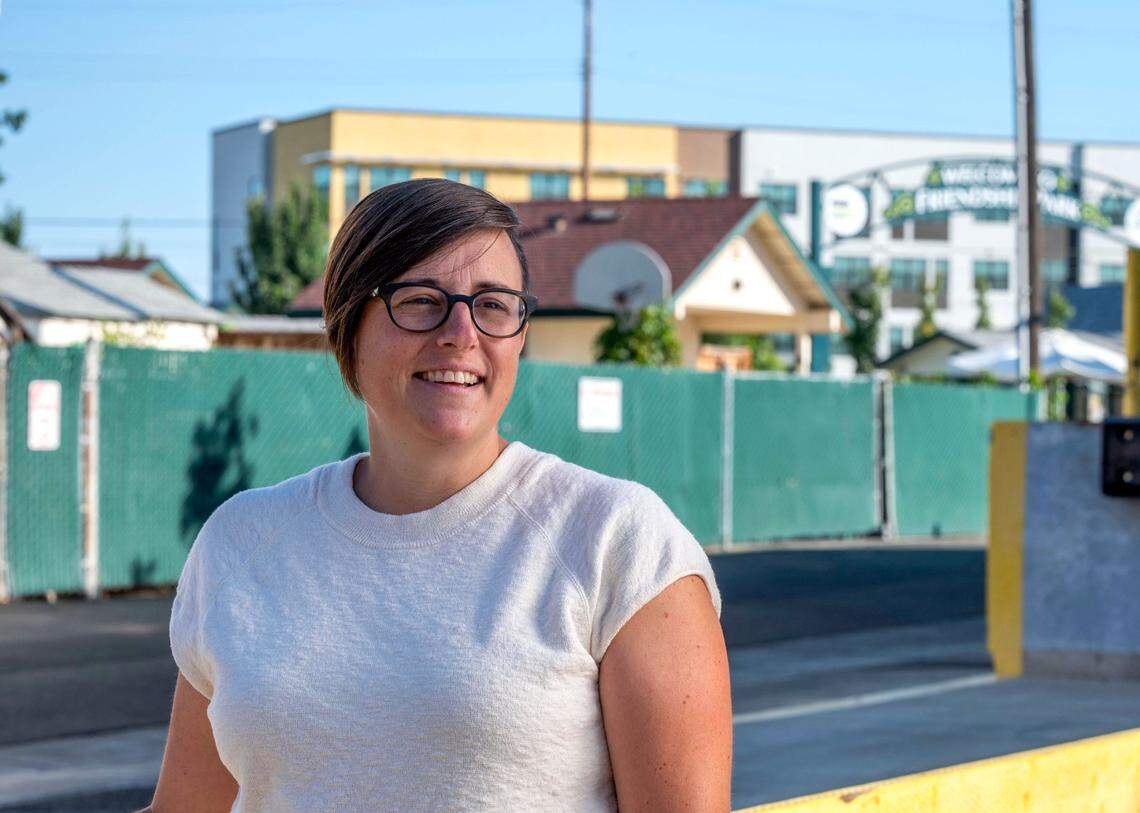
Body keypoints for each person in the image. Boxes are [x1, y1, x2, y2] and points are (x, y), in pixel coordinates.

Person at [147, 178, 731, 812]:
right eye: (421, 300)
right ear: (348, 324)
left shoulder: (618, 541)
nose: (461, 332)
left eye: (494, 304)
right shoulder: (243, 540)